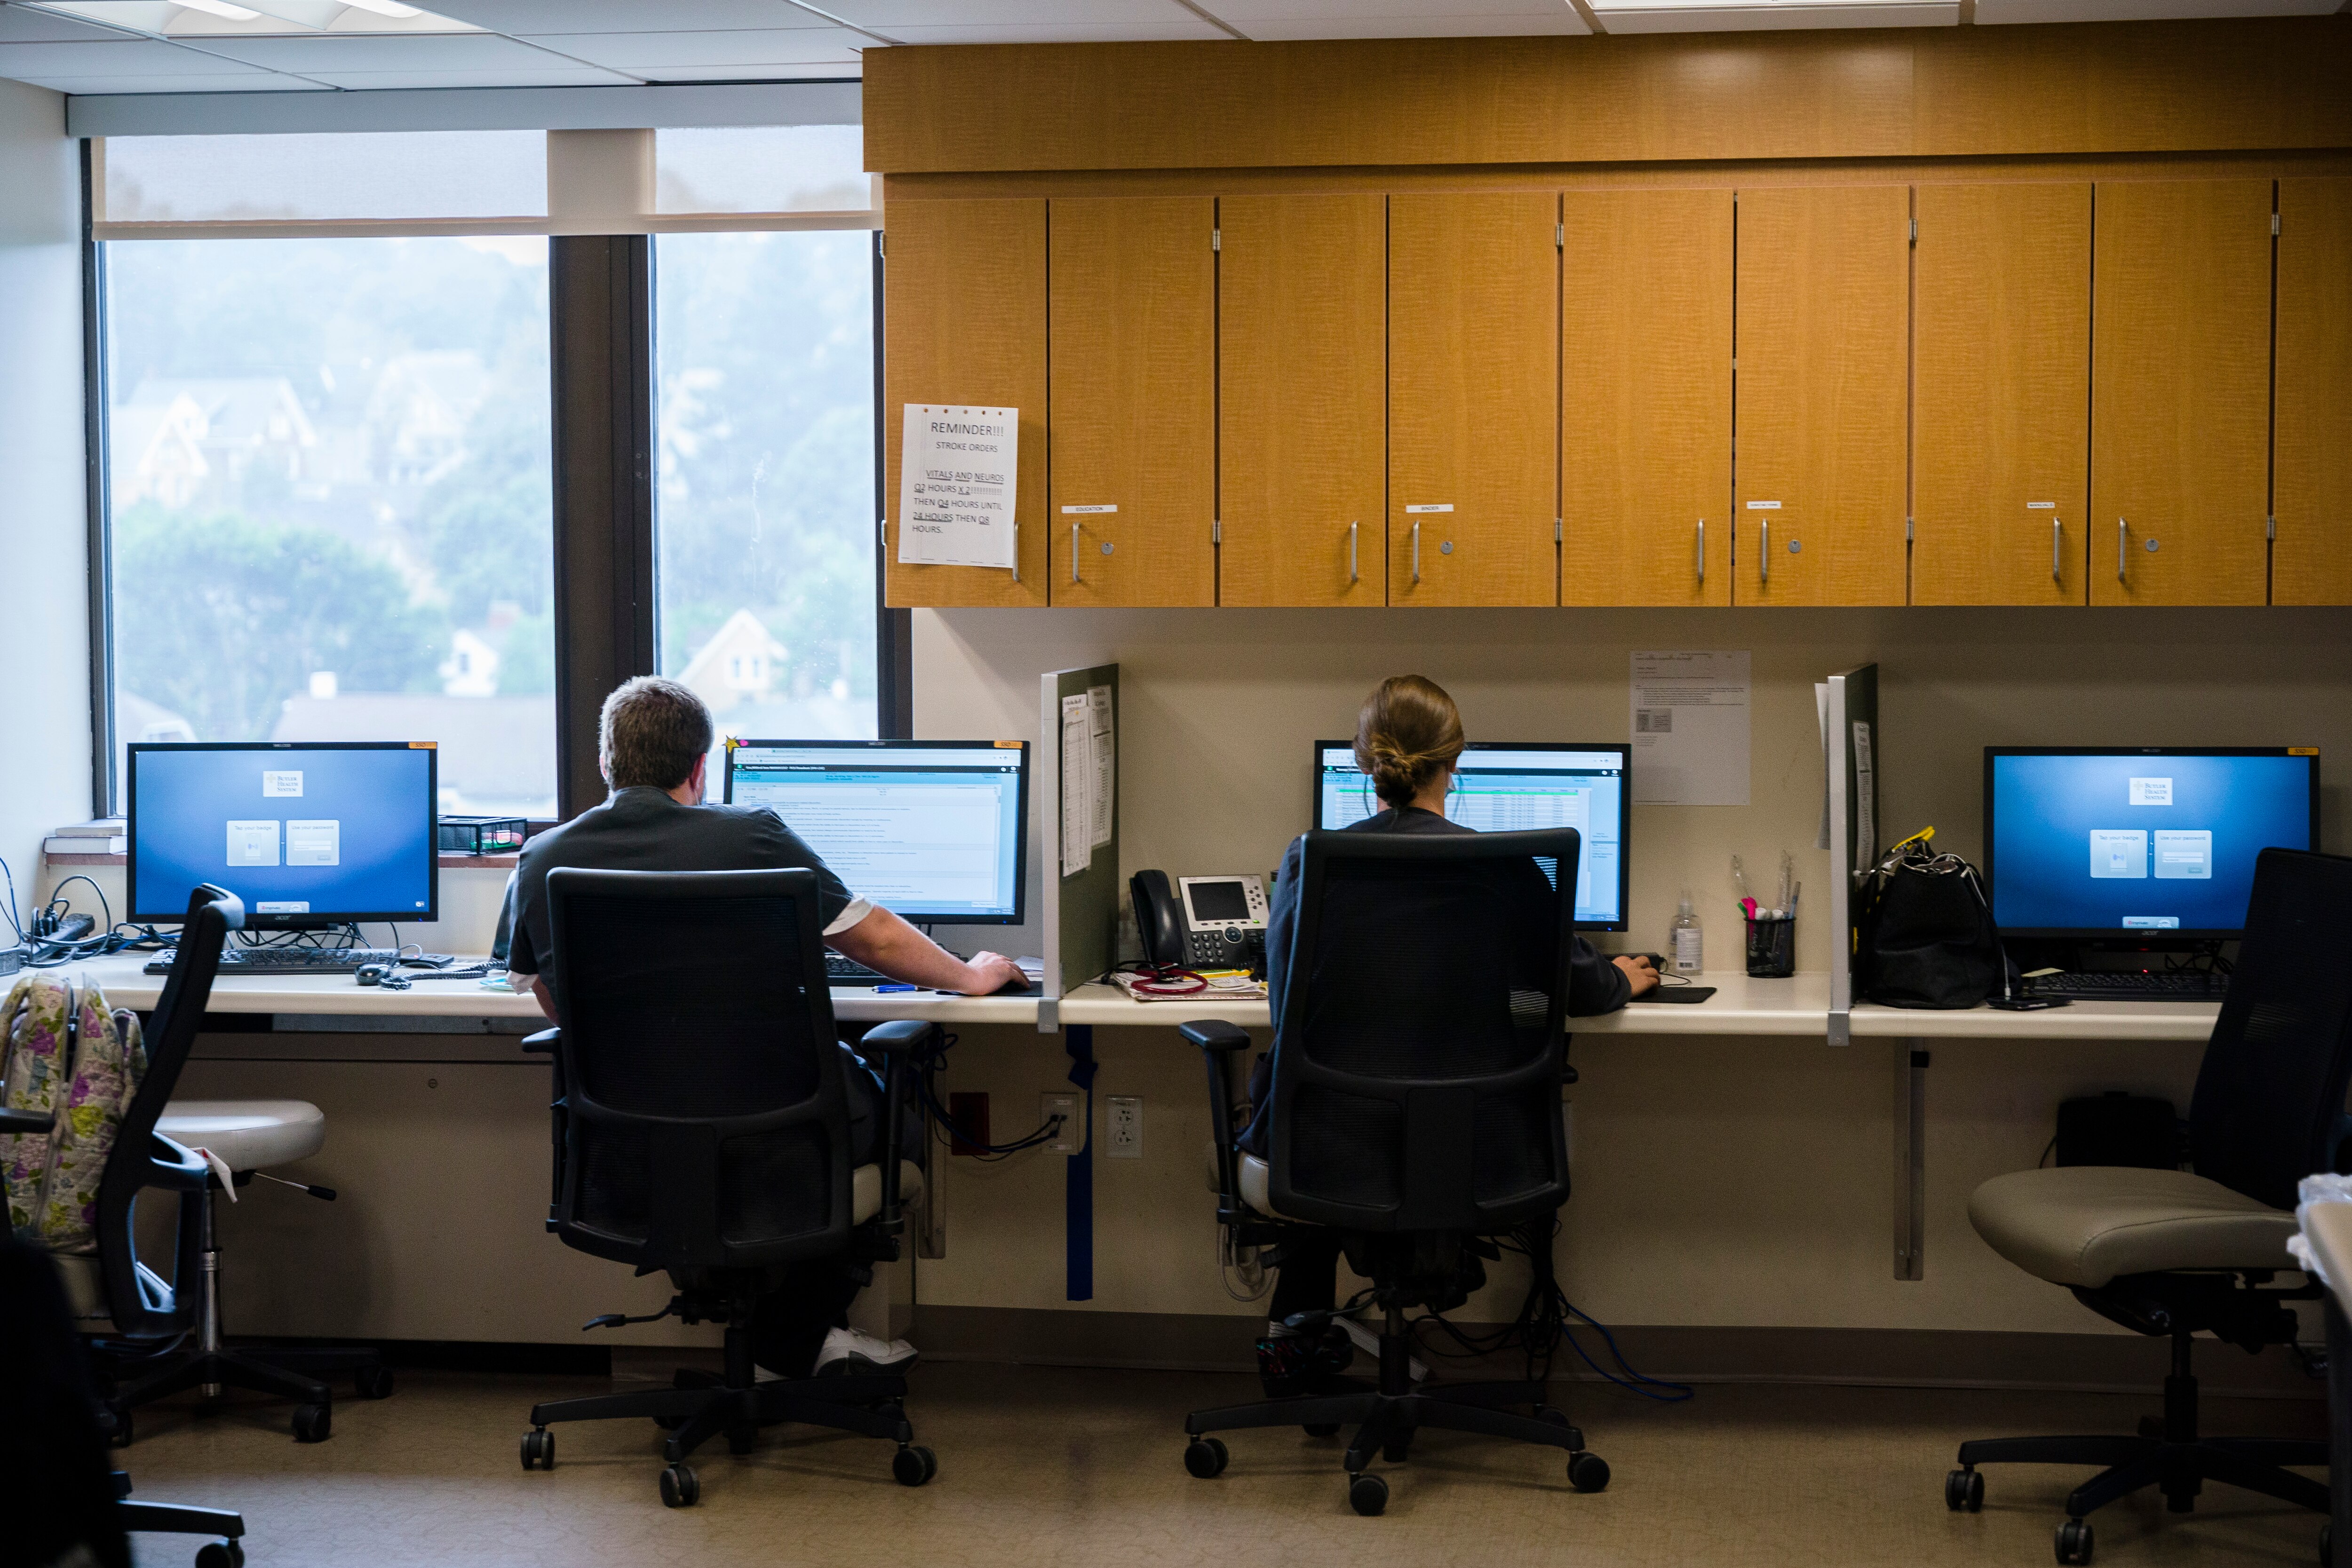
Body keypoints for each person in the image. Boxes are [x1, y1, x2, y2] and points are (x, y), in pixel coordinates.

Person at [507, 676, 1025, 1380]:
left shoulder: (540, 859)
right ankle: (794, 1343)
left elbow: (544, 989)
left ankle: (793, 1344)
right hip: (776, 1143)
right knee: (896, 1118)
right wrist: (970, 975)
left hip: (629, 1147)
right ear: (698, 768)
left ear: (606, 763)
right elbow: (867, 937)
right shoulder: (751, 834)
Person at [1240, 674, 1656, 1393]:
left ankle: (1298, 1341)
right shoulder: (1512, 874)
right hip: (1481, 1149)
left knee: (1297, 1108)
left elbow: (1286, 1006)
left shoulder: (1313, 863)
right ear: (1454, 760)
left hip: (1331, 1148)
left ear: (1364, 760)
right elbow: (1576, 988)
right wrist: (1625, 976)